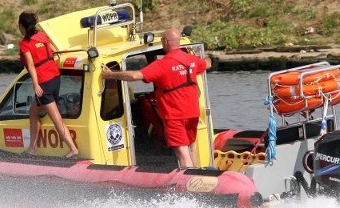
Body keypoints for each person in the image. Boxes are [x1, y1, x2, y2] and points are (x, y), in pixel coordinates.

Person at [101, 28, 211, 168]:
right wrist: (204, 57)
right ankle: (199, 178)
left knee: (182, 152)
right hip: (193, 113)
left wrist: (110, 75)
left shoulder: (163, 65)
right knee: (191, 148)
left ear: (165, 42)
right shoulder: (192, 60)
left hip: (174, 115)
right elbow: (208, 63)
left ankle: (189, 184)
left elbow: (135, 76)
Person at [18, 11, 78, 158]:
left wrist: (35, 84)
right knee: (33, 112)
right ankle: (32, 148)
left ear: (22, 27)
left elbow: (31, 66)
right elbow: (54, 51)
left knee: (56, 118)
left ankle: (73, 149)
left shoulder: (25, 44)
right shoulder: (42, 36)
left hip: (44, 83)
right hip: (55, 78)